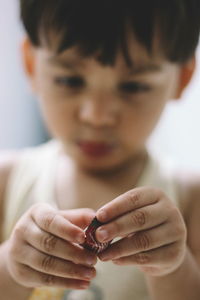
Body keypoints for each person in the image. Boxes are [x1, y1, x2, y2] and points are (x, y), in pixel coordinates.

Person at [1, 0, 200, 299]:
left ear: (182, 79)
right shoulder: (6, 181)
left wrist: (174, 269)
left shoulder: (190, 200)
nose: (96, 115)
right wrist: (10, 267)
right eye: (70, 80)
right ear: (31, 65)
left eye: (133, 87)